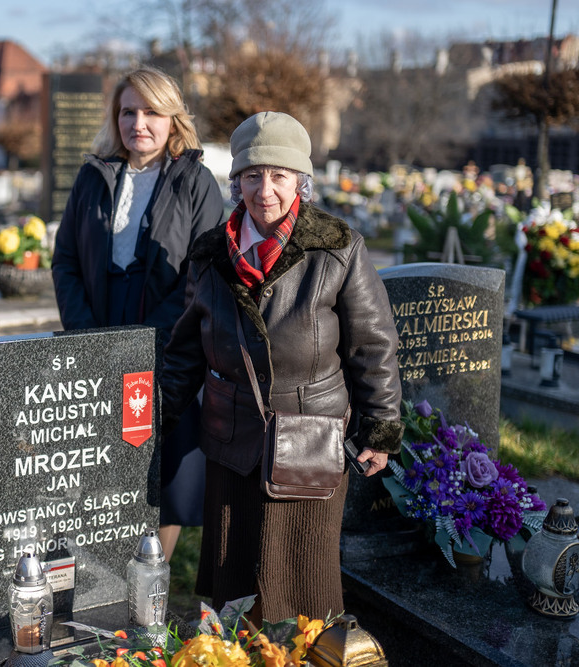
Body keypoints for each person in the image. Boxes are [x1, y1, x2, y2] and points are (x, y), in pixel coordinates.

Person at [160, 111, 403, 621]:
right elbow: (185, 350)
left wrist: (379, 429)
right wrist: (155, 419)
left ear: (301, 181)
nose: (264, 190)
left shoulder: (337, 247)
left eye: (278, 175)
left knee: (305, 583)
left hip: (309, 436)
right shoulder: (209, 255)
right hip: (232, 439)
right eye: (252, 175)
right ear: (236, 182)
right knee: (235, 581)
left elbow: (372, 344)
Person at [52, 66, 224, 560]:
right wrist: (86, 333)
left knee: (162, 470)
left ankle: (155, 579)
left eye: (151, 112)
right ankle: (104, 574)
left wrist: (146, 338)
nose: (139, 123)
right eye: (129, 111)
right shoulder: (93, 175)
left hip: (168, 341)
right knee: (104, 466)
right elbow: (65, 259)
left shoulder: (195, 181)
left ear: (173, 119)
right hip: (98, 332)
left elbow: (202, 271)